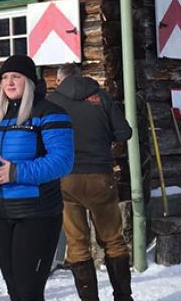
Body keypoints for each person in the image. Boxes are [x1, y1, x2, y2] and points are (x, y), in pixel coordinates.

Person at [0, 55, 74, 301]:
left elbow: (62, 161)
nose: (9, 83)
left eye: (16, 77)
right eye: (5, 78)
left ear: (29, 81)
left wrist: (16, 172)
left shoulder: (50, 113)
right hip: (0, 212)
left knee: (28, 290)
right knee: (13, 288)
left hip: (36, 213)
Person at [48, 64, 133, 301]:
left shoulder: (53, 101)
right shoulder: (102, 97)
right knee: (114, 240)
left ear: (60, 80)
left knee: (77, 244)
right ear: (80, 76)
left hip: (66, 179)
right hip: (100, 177)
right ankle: (123, 296)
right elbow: (124, 132)